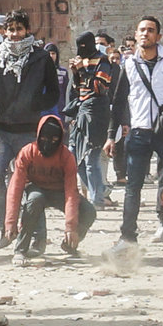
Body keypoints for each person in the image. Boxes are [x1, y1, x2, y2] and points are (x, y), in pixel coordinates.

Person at [115, 16, 163, 244]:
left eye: (150, 30)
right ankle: (127, 237)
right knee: (133, 186)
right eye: (141, 30)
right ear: (136, 34)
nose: (145, 34)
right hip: (139, 131)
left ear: (158, 36)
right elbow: (118, 101)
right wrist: (112, 136)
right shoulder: (128, 64)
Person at [0, 11, 62, 225]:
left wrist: (34, 104)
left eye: (19, 29)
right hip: (1, 128)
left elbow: (54, 92)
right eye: (11, 29)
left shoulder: (40, 57)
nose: (15, 34)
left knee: (33, 182)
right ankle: (6, 224)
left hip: (28, 129)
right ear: (5, 31)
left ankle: (36, 233)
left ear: (27, 30)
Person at [2, 113, 86, 258]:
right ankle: (21, 249)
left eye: (54, 140)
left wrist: (70, 227)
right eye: (44, 139)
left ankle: (69, 244)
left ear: (60, 139)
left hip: (59, 192)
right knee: (35, 199)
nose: (48, 144)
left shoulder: (66, 157)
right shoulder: (27, 153)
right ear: (38, 136)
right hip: (36, 188)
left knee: (88, 211)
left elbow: (71, 192)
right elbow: (15, 188)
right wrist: (10, 222)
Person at [65, 31, 118, 213]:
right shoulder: (83, 60)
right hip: (81, 112)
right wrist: (75, 72)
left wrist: (81, 69)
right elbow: (78, 88)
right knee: (74, 159)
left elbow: (100, 88)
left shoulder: (103, 61)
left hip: (96, 113)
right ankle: (100, 191)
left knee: (92, 158)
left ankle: (97, 200)